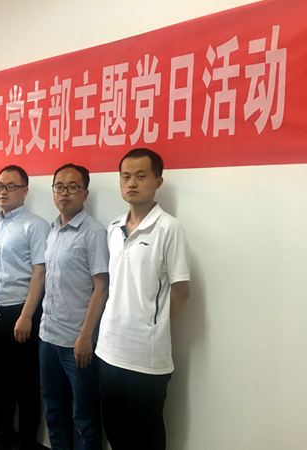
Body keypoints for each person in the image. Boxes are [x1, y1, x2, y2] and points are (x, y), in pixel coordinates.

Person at [96, 148, 191, 450]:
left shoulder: (169, 228)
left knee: (146, 437)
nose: (132, 183)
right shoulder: (113, 227)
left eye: (141, 176)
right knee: (115, 430)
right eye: (126, 176)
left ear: (158, 181)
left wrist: (154, 328)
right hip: (108, 349)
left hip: (146, 357)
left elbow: (181, 290)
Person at [0, 165, 50, 450]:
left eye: (10, 186)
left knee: (25, 387)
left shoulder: (36, 225)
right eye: (0, 186)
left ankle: (26, 444)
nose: (3, 192)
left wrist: (27, 316)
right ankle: (1, 439)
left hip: (21, 314)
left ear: (24, 190)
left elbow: (39, 272)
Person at [39, 164, 108, 450]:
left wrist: (85, 337)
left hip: (76, 342)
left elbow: (101, 288)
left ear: (85, 193)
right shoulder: (53, 228)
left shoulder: (94, 232)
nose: (64, 193)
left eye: (72, 187)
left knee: (85, 417)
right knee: (54, 410)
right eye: (59, 186)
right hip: (47, 337)